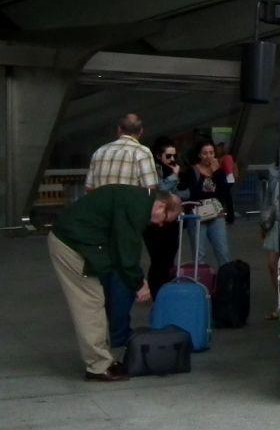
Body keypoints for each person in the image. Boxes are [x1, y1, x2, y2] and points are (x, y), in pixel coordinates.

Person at [48, 185, 182, 381]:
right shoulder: (136, 208)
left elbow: (121, 249)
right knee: (89, 303)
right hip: (71, 245)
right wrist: (139, 284)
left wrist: (135, 279)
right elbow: (126, 253)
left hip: (75, 240)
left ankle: (103, 359)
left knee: (95, 300)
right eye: (164, 220)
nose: (161, 225)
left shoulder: (137, 198)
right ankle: (97, 366)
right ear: (161, 206)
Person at [84, 113, 159, 349]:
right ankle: (119, 333)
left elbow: (89, 188)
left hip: (99, 223)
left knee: (104, 275)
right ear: (141, 132)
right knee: (124, 274)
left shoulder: (100, 152)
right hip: (125, 223)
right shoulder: (141, 152)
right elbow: (150, 189)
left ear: (118, 130)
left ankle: (104, 329)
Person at [178, 140, 236, 269]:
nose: (209, 156)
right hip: (198, 214)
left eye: (211, 153)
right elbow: (193, 192)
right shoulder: (193, 171)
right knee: (199, 253)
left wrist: (217, 173)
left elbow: (224, 192)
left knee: (223, 251)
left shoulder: (218, 171)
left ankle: (227, 281)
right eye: (205, 153)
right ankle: (200, 280)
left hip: (216, 214)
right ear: (199, 155)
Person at [144, 137, 183, 299]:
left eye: (174, 156)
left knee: (169, 257)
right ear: (159, 156)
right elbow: (158, 191)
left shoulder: (172, 171)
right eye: (168, 156)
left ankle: (165, 290)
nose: (172, 160)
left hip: (171, 220)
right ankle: (156, 291)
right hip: (154, 221)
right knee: (158, 258)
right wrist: (173, 177)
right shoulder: (154, 171)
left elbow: (178, 193)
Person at [261, 162, 280, 320]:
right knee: (272, 264)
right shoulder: (273, 172)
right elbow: (268, 199)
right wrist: (263, 223)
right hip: (274, 221)